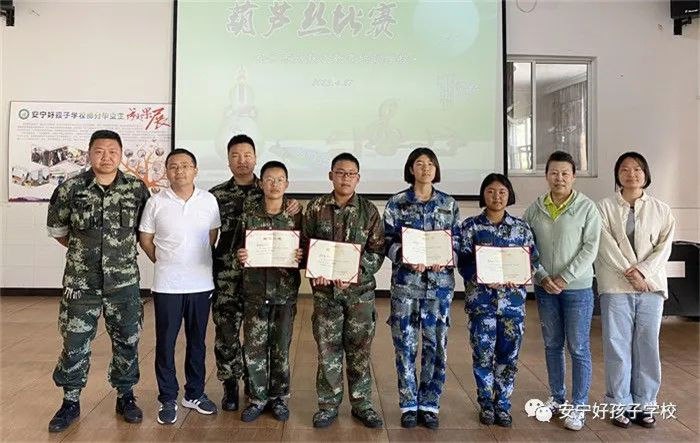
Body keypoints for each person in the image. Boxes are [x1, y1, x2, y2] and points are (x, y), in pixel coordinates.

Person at [46, 130, 150, 432]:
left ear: (121, 154)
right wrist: (85, 253)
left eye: (112, 151)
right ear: (89, 153)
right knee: (75, 342)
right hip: (81, 284)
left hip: (124, 283)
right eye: (100, 151)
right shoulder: (71, 188)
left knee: (128, 340)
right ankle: (70, 401)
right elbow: (58, 230)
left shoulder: (136, 189)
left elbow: (145, 230)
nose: (106, 157)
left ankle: (125, 396)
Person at [209, 134, 300, 412]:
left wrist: (295, 204)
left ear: (256, 158)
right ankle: (230, 386)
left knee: (259, 339)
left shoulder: (271, 191)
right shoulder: (215, 196)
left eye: (247, 155)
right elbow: (208, 236)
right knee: (226, 334)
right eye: (235, 155)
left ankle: (258, 391)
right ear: (227, 160)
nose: (242, 161)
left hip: (263, 281)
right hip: (227, 277)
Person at [302, 153, 385, 429]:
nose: (345, 178)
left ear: (358, 178)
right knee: (328, 351)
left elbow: (377, 251)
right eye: (340, 173)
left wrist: (355, 273)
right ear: (331, 176)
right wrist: (314, 269)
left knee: (360, 351)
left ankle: (362, 404)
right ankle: (328, 405)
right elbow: (305, 246)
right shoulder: (315, 208)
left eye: (351, 174)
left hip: (360, 295)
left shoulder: (369, 211)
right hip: (326, 295)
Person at [138, 148, 221, 424]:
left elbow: (211, 236)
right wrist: (165, 261)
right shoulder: (156, 202)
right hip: (167, 285)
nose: (179, 171)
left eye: (185, 166)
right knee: (166, 343)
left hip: (201, 283)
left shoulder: (208, 200)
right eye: (173, 166)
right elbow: (146, 239)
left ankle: (194, 394)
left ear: (195, 170)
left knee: (197, 342)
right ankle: (168, 398)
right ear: (167, 171)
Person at [522, 151, 601, 431]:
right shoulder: (535, 209)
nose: (559, 178)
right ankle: (557, 397)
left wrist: (565, 277)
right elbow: (526, 246)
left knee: (578, 347)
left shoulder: (587, 208)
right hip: (545, 289)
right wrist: (542, 276)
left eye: (565, 173)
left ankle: (579, 406)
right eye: (554, 173)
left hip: (577, 289)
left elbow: (590, 248)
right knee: (552, 344)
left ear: (574, 176)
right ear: (546, 176)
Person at [595, 152, 675, 429]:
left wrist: (643, 273)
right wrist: (633, 274)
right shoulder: (603, 207)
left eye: (637, 169)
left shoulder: (661, 209)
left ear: (646, 174)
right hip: (615, 286)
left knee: (647, 346)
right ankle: (619, 404)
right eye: (625, 169)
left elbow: (664, 247)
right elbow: (605, 246)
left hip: (651, 287)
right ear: (617, 175)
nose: (631, 174)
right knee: (617, 346)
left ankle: (645, 404)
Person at [382, 148, 460, 429]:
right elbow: (386, 241)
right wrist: (404, 254)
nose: (425, 168)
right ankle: (408, 404)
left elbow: (457, 242)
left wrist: (447, 258)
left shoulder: (449, 204)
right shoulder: (396, 203)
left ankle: (429, 404)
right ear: (410, 169)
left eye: (430, 164)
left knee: (436, 347)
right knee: (405, 347)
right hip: (406, 287)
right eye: (419, 163)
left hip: (439, 289)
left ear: (436, 170)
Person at [458, 173, 541, 428]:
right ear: (483, 194)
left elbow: (533, 260)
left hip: (512, 305)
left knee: (508, 356)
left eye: (502, 192)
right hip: (481, 304)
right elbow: (462, 261)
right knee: (482, 355)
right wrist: (480, 275)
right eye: (491, 191)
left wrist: (522, 276)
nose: (496, 197)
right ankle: (486, 402)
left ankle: (503, 404)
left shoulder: (521, 228)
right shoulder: (471, 226)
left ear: (509, 195)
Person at [235, 160, 304, 423]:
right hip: (254, 290)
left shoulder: (296, 215)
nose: (274, 184)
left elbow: (309, 250)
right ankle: (257, 398)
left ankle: (278, 397)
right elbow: (236, 248)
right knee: (253, 347)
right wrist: (241, 254)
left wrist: (302, 256)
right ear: (261, 183)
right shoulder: (249, 214)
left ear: (287, 184)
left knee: (281, 346)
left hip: (284, 291)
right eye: (269, 179)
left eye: (279, 180)